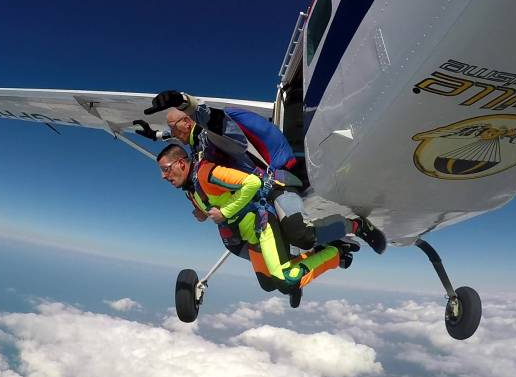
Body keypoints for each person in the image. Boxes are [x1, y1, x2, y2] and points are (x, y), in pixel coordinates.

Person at [135, 91, 387, 255]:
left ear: (188, 121)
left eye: (173, 126)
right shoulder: (195, 142)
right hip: (255, 197)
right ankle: (315, 259)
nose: (171, 131)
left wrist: (186, 103)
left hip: (275, 184)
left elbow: (216, 123)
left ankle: (355, 225)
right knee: (251, 247)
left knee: (301, 235)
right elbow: (188, 144)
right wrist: (157, 136)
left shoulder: (213, 134)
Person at [156, 143, 353, 297]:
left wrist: (224, 212)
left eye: (165, 169)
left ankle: (335, 254)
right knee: (268, 284)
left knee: (285, 280)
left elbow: (252, 182)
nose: (163, 176)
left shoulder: (207, 173)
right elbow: (213, 200)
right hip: (250, 238)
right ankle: (311, 257)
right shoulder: (191, 190)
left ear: (181, 163)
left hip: (263, 225)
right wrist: (202, 212)